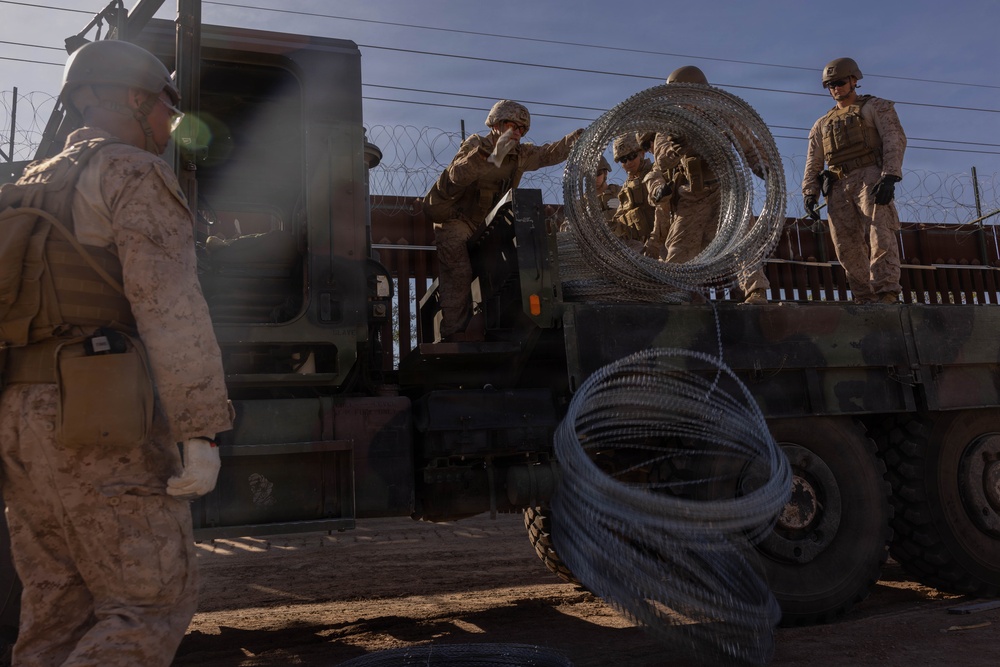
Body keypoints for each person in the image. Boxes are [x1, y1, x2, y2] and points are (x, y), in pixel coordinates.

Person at [0, 39, 232, 665]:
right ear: (133, 99)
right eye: (165, 108)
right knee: (148, 604)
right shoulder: (132, 171)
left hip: (21, 424)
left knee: (55, 611)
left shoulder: (26, 183)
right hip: (97, 419)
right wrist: (201, 431)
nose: (168, 124)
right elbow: (170, 308)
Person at [423, 100, 582, 341]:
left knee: (505, 268)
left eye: (521, 129)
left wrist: (576, 139)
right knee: (459, 272)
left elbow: (549, 153)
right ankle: (453, 334)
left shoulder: (521, 154)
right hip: (457, 220)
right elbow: (457, 175)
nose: (516, 132)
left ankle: (496, 330)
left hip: (487, 224)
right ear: (496, 124)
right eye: (512, 125)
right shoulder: (477, 144)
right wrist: (489, 155)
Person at [646, 65, 771, 304]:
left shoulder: (722, 116)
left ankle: (756, 291)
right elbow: (661, 160)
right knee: (679, 250)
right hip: (692, 196)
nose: (680, 101)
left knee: (742, 241)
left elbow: (749, 146)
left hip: (727, 192)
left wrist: (763, 169)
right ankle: (674, 296)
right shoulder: (670, 125)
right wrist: (677, 145)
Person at [802, 57, 906, 304]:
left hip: (870, 178)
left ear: (853, 80)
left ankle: (886, 292)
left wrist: (890, 175)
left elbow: (894, 138)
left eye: (838, 82)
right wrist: (810, 192)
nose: (835, 88)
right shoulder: (822, 124)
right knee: (845, 245)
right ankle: (864, 297)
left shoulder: (875, 107)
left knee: (880, 234)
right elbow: (814, 160)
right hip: (837, 186)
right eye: (829, 85)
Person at [609, 133, 655, 253]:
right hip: (642, 243)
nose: (628, 163)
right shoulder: (626, 187)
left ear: (642, 153)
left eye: (632, 156)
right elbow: (621, 216)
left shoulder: (655, 172)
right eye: (623, 160)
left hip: (662, 236)